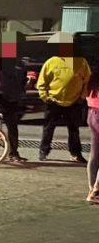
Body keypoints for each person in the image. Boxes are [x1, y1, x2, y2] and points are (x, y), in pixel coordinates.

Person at [36, 40, 91, 163]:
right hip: (54, 101)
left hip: (74, 102)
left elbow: (87, 81)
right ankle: (43, 151)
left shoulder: (81, 62)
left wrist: (82, 97)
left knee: (74, 130)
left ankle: (76, 153)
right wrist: (45, 97)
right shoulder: (51, 62)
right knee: (48, 128)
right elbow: (42, 82)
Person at [87, 74, 99, 204]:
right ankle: (96, 191)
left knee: (94, 155)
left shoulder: (94, 78)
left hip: (92, 113)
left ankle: (92, 188)